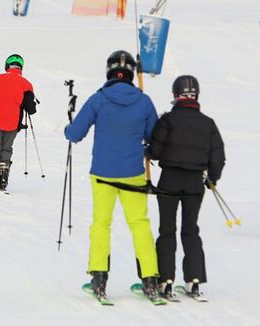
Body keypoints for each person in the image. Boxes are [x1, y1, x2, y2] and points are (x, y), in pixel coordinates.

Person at [63, 50, 160, 302]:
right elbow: (155, 139)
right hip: (133, 175)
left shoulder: (99, 99)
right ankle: (150, 278)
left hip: (103, 174)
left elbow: (75, 134)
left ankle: (99, 277)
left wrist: (68, 125)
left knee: (101, 224)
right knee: (140, 224)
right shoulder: (144, 100)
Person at [147, 75, 225, 301]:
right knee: (191, 229)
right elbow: (217, 156)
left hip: (169, 179)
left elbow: (155, 151)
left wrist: (149, 150)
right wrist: (212, 178)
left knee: (167, 230)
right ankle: (193, 280)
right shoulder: (208, 123)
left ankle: (165, 281)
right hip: (194, 183)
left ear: (175, 95)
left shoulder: (168, 120)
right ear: (196, 96)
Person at [0, 54, 37, 193]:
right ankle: (3, 179)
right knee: (6, 149)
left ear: (7, 66)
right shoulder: (26, 84)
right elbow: (30, 109)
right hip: (14, 123)